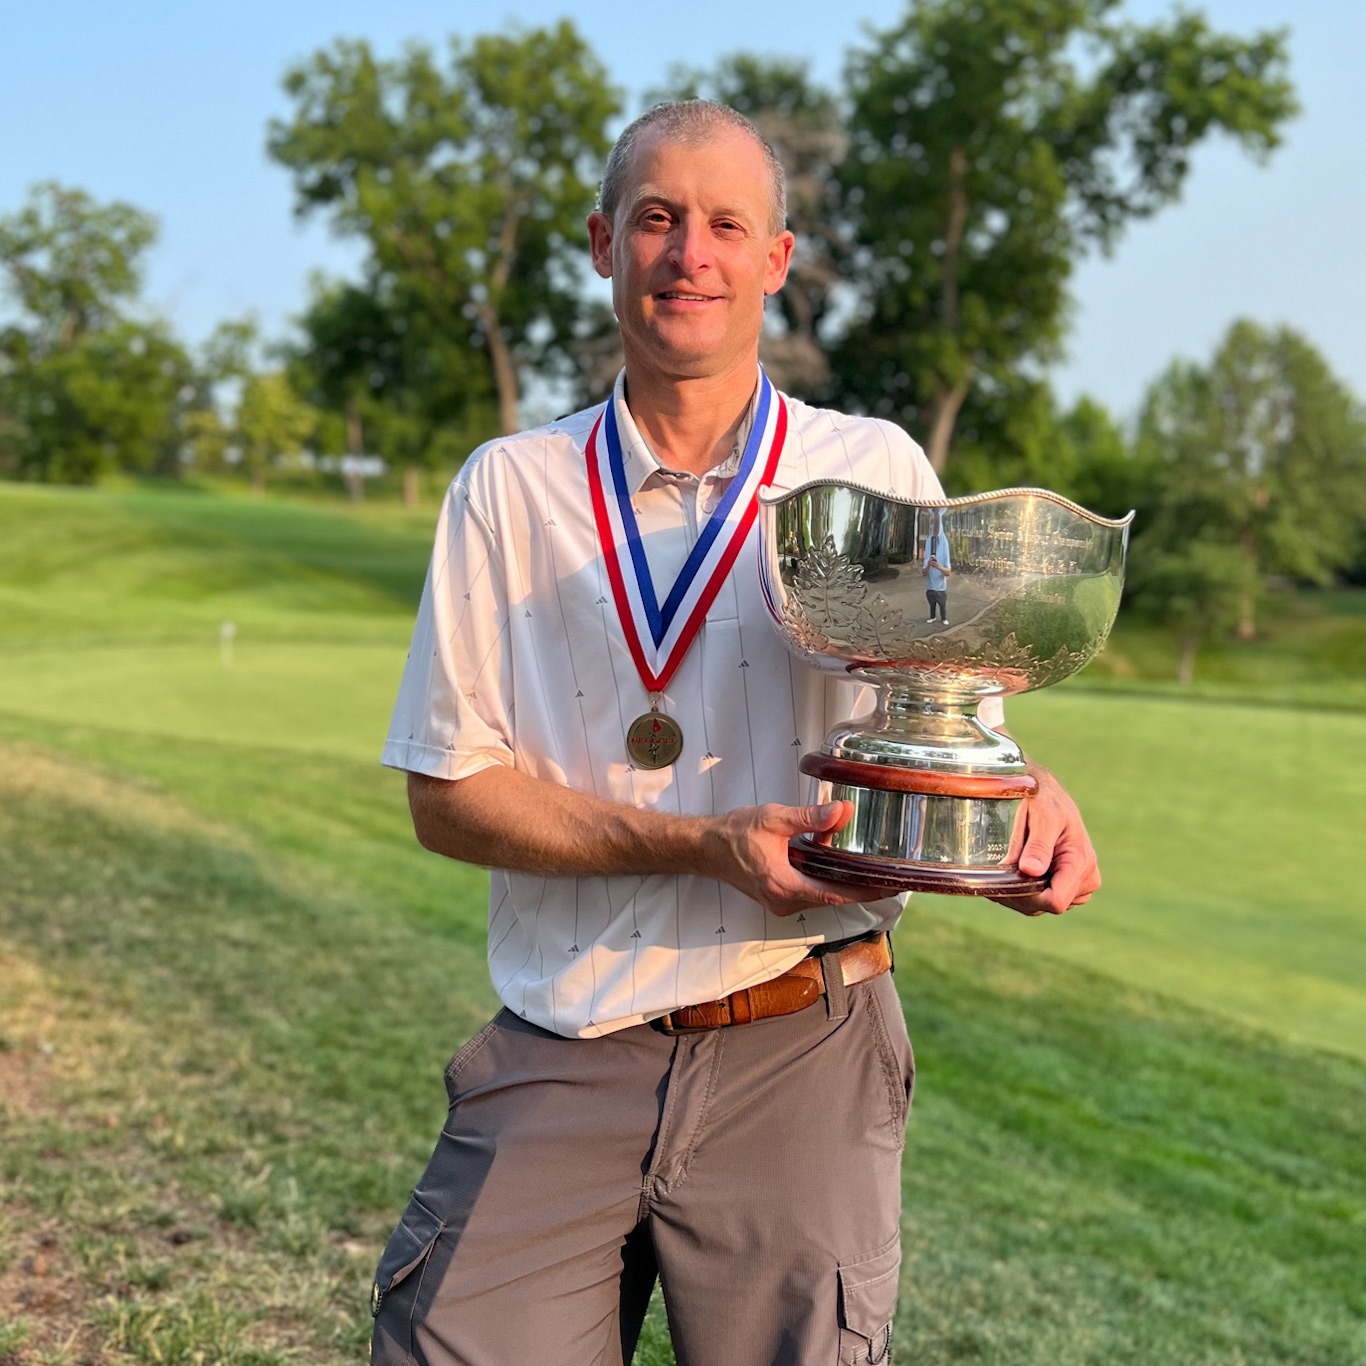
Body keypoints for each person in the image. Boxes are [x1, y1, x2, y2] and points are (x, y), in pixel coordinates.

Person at [372, 100, 1100, 1366]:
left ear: (776, 257)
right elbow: (447, 796)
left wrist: (1025, 799)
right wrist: (701, 843)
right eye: (656, 218)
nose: (687, 253)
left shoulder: (870, 471)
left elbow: (945, 725)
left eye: (724, 225)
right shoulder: (509, 487)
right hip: (565, 1040)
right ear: (603, 243)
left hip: (802, 1040)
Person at [922, 512, 952, 625]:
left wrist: (938, 566)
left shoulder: (944, 547)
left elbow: (948, 573)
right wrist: (929, 565)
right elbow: (924, 573)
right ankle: (932, 617)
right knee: (932, 604)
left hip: (941, 587)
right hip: (931, 587)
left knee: (942, 605)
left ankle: (943, 618)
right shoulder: (928, 546)